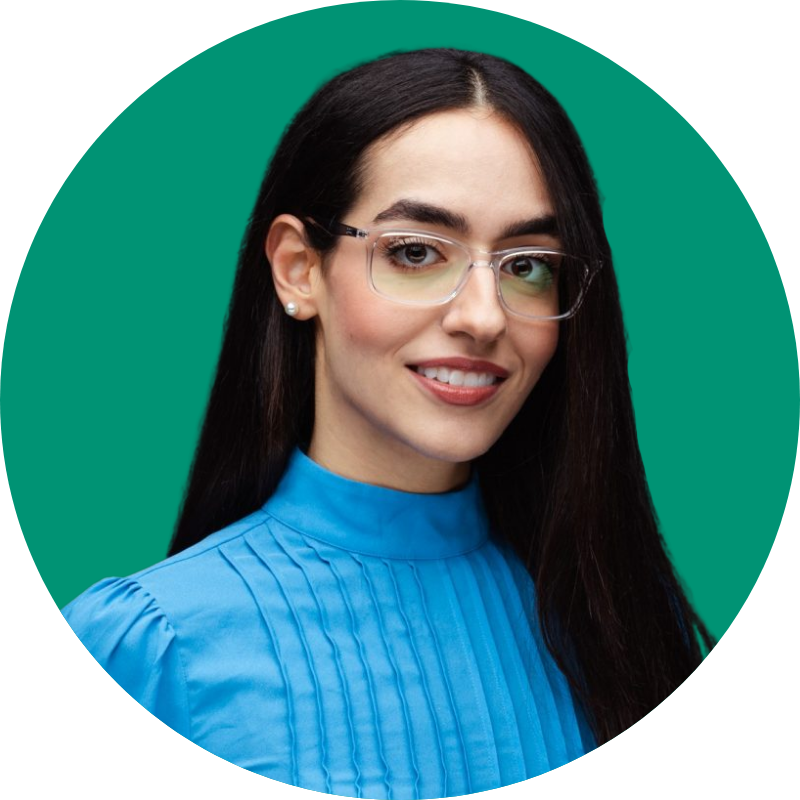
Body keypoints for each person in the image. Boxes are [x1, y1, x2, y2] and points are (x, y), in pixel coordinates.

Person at [62, 48, 714, 798]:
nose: (482, 317)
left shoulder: (623, 623)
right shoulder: (153, 648)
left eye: (528, 264)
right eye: (414, 252)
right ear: (299, 270)